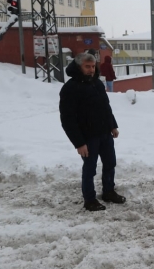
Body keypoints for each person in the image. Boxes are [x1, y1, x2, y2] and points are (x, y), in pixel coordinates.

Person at [59, 52, 125, 211]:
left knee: (110, 163)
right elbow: (67, 119)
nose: (90, 70)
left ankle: (108, 191)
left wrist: (112, 126)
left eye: (93, 66)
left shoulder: (97, 84)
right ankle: (89, 199)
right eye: (87, 66)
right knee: (90, 169)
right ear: (79, 67)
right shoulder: (70, 88)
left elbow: (105, 107)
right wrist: (79, 143)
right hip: (87, 138)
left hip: (104, 133)